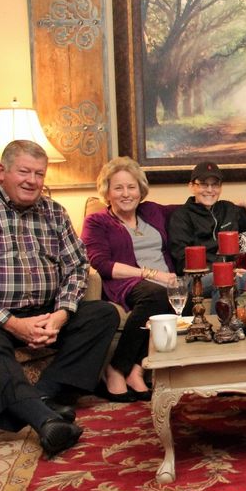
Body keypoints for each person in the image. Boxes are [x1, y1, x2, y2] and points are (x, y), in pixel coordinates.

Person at [0, 140, 118, 457]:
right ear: (2, 172)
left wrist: (62, 314)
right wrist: (13, 323)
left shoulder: (54, 212)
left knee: (103, 314)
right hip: (2, 316)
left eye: (39, 173)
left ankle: (39, 397)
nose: (32, 181)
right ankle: (46, 420)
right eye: (24, 171)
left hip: (49, 311)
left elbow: (78, 267)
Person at [81, 157, 177, 402]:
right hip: (126, 283)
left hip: (167, 282)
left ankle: (137, 371)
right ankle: (115, 368)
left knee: (183, 297)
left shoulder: (152, 211)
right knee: (156, 295)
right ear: (107, 192)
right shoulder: (97, 222)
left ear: (140, 190)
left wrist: (241, 208)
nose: (126, 194)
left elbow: (189, 207)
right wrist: (150, 274)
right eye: (118, 188)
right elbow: (101, 264)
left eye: (131, 187)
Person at [167, 161, 246, 292]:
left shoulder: (229, 209)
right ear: (191, 186)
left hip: (234, 271)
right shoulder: (181, 217)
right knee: (232, 278)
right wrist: (225, 270)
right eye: (203, 184)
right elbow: (182, 262)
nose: (210, 190)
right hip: (196, 278)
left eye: (215, 184)